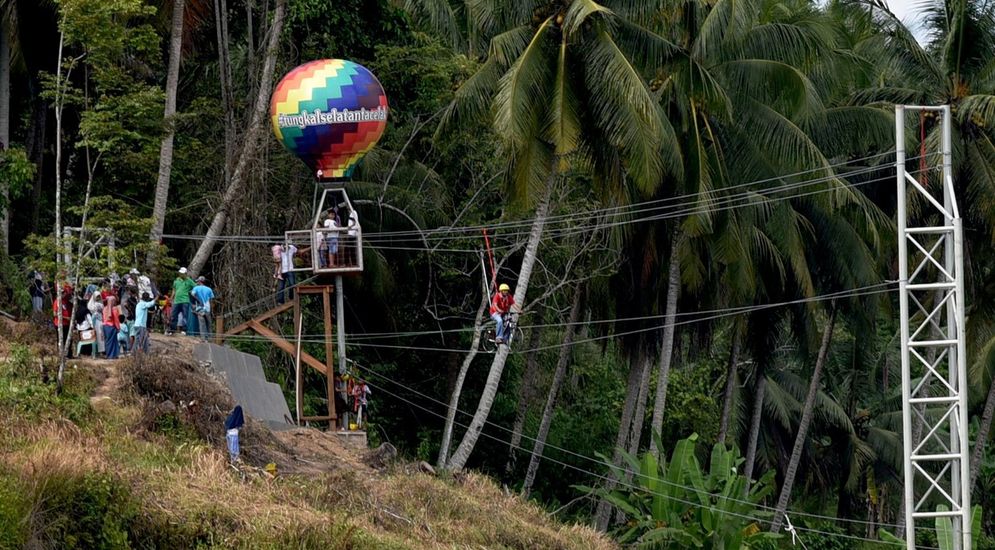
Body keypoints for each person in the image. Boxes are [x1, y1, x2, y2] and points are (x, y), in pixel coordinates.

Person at [168, 267, 195, 335]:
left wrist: (190, 292)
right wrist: (171, 298)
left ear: (186, 274)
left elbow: (195, 287)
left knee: (185, 316)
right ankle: (172, 330)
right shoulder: (176, 281)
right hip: (176, 300)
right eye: (180, 273)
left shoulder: (189, 281)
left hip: (185, 300)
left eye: (182, 274)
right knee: (173, 316)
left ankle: (184, 330)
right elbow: (174, 290)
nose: (181, 275)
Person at [190, 276, 215, 341]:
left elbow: (192, 295)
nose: (197, 282)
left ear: (200, 281)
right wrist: (211, 309)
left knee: (202, 324)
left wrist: (197, 301)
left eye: (198, 281)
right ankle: (210, 338)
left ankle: (203, 339)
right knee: (209, 324)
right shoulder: (209, 289)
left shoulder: (196, 288)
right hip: (207, 308)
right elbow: (211, 300)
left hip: (199, 308)